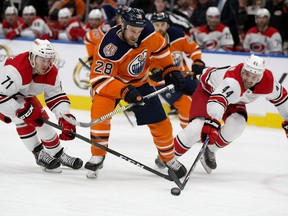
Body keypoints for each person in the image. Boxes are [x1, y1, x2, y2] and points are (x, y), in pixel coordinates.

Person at [84, 7, 187, 179]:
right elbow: (99, 79)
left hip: (139, 82)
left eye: (139, 31)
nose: (136, 35)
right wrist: (124, 90)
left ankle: (169, 158)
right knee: (99, 113)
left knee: (160, 121)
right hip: (113, 84)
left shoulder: (147, 33)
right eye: (132, 31)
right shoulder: (109, 47)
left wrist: (170, 69)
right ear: (122, 25)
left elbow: (161, 49)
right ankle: (98, 155)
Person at [172, 54, 288, 173]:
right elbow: (218, 101)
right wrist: (212, 121)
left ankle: (210, 150)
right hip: (209, 91)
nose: (249, 79)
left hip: (234, 99)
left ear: (260, 78)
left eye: (254, 77)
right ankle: (168, 158)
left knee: (238, 124)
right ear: (243, 70)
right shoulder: (232, 81)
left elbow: (283, 99)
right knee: (197, 128)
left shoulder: (268, 82)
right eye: (247, 74)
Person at [0, 39, 83, 173]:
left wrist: (65, 118)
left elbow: (56, 96)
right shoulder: (15, 69)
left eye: (49, 60)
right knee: (23, 119)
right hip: (5, 97)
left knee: (42, 121)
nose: (47, 64)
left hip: (24, 95)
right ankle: (39, 153)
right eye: (42, 60)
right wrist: (20, 111)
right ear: (32, 57)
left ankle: (58, 154)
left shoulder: (51, 72)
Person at [149, 12, 205, 129]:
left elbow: (193, 48)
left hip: (183, 75)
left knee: (202, 97)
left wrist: (197, 61)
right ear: (152, 25)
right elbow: (144, 63)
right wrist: (153, 72)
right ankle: (189, 133)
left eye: (162, 24)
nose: (160, 28)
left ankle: (203, 127)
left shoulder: (177, 34)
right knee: (185, 104)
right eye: (157, 24)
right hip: (164, 82)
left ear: (167, 25)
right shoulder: (147, 41)